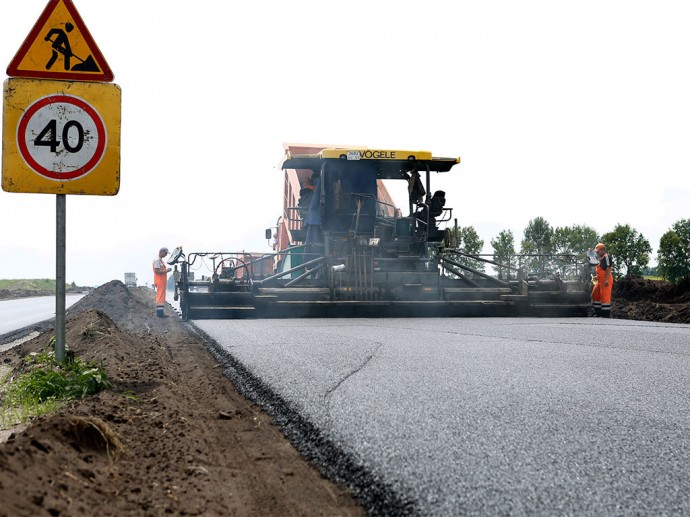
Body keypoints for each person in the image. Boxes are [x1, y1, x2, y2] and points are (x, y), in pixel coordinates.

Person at [591, 242, 614, 318]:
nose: (597, 253)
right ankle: (598, 313)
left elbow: (608, 269)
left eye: (598, 251)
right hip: (600, 280)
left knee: (605, 297)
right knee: (595, 294)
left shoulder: (606, 257)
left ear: (602, 250)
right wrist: (596, 277)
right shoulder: (601, 259)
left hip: (605, 281)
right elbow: (601, 271)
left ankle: (605, 315)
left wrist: (606, 280)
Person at [153, 247, 173, 317]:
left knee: (161, 296)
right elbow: (157, 270)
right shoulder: (157, 260)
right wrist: (166, 270)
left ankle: (161, 312)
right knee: (160, 296)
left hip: (162, 281)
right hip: (159, 281)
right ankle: (160, 313)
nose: (166, 255)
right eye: (166, 253)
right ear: (161, 252)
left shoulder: (160, 261)